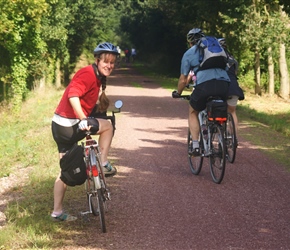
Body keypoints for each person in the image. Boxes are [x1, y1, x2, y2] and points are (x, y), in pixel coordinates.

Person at [51, 42, 119, 221]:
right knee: (108, 126)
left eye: (112, 62)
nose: (109, 65)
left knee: (66, 170)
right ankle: (103, 162)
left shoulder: (96, 76)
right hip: (71, 124)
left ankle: (57, 212)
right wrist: (83, 119)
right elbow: (73, 95)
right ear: (97, 60)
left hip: (59, 126)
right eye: (106, 61)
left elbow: (83, 99)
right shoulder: (88, 73)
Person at [172, 28, 230, 155]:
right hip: (224, 83)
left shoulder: (190, 53)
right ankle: (222, 139)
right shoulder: (217, 48)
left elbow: (183, 79)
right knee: (221, 108)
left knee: (193, 111)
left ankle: (196, 145)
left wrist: (179, 92)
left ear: (190, 42)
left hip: (204, 85)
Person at [218, 38, 244, 139]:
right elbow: (234, 74)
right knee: (232, 112)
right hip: (234, 88)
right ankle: (234, 138)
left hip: (220, 87)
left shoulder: (214, 59)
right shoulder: (233, 59)